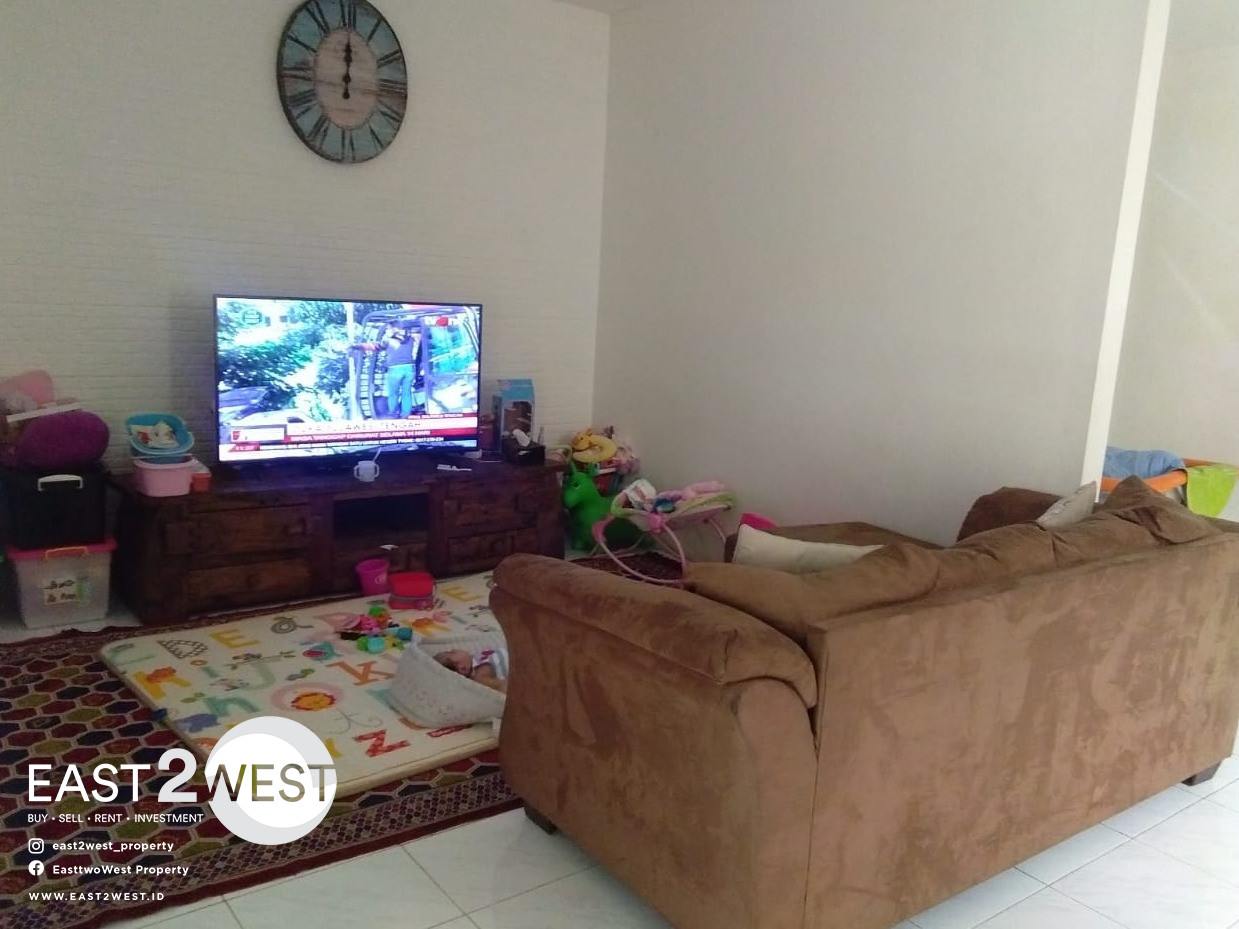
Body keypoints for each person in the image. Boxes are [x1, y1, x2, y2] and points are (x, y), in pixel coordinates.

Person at [434, 647, 508, 693]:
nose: (453, 649)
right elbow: (502, 686)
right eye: (451, 652)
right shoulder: (478, 675)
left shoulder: (476, 657)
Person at [383, 325, 418, 418]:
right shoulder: (410, 339)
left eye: (387, 329)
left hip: (395, 368)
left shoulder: (389, 340)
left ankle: (393, 412)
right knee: (406, 392)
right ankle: (405, 414)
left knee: (393, 393)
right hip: (409, 368)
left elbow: (380, 346)